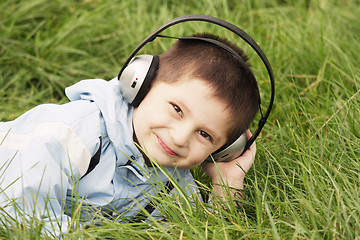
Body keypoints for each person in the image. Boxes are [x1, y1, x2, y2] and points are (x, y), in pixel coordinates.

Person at [0, 33, 259, 234]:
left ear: (224, 149)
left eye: (204, 134)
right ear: (141, 83)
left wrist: (228, 181)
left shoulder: (173, 182)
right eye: (177, 109)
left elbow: (202, 230)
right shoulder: (75, 132)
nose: (180, 138)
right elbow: (19, 209)